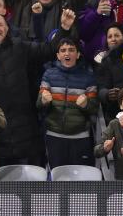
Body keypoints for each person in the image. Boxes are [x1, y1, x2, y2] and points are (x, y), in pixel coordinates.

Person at [0, 9, 74, 166]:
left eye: (0, 24)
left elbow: (48, 50)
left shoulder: (20, 46)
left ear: (7, 28)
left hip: (24, 125)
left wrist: (64, 29)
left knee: (30, 178)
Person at [37, 38, 98, 168]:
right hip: (54, 136)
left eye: (71, 50)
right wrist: (43, 101)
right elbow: (39, 104)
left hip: (81, 137)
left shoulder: (89, 77)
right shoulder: (48, 75)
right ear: (58, 55)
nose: (67, 53)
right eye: (63, 50)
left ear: (78, 54)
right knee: (58, 177)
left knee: (80, 179)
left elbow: (94, 108)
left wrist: (86, 104)